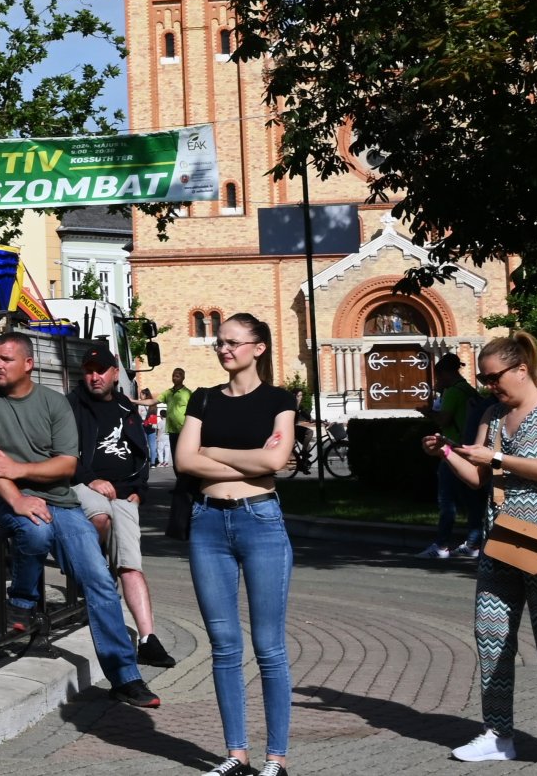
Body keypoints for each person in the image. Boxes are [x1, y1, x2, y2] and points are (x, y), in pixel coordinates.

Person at [0, 333, 158, 709]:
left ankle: (125, 677)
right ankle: (22, 600)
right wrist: (18, 498)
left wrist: (20, 468)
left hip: (62, 500)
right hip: (10, 496)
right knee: (36, 532)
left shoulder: (53, 403)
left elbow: (67, 464)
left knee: (100, 580)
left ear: (28, 364)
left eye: (5, 359)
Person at [427, 330, 537, 769]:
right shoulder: (492, 415)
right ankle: (499, 734)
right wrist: (449, 453)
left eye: (493, 377)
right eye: (483, 378)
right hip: (499, 542)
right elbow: (479, 480)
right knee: (491, 640)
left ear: (520, 369)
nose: (488, 385)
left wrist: (494, 459)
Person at [175, 313, 297, 776]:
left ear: (258, 347)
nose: (223, 349)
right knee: (224, 645)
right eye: (219, 343)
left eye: (232, 342)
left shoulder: (279, 399)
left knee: (269, 647)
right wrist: (251, 464)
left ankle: (276, 759)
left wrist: (216, 453)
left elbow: (277, 460)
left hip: (261, 521)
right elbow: (186, 461)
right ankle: (237, 754)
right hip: (208, 524)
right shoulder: (203, 399)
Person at [68, 346, 175, 670]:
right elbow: (64, 452)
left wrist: (140, 490)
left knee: (131, 564)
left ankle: (148, 639)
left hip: (125, 493)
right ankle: (91, 569)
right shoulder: (72, 405)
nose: (95, 376)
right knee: (99, 518)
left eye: (101, 370)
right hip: (85, 484)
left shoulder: (125, 405)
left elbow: (140, 449)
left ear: (115, 373)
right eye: (89, 369)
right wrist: (90, 479)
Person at [421, 352, 484, 560]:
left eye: (439, 377)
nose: (438, 381)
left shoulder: (453, 392)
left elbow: (444, 421)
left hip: (452, 451)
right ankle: (474, 542)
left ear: (446, 374)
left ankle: (441, 544)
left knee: (446, 500)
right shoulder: (468, 389)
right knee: (471, 498)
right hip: (468, 447)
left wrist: (427, 412)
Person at [160, 367, 192, 449]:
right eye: (173, 376)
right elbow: (153, 401)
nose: (174, 378)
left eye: (177, 376)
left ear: (183, 378)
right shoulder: (168, 392)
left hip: (183, 430)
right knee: (174, 456)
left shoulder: (188, 393)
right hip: (172, 430)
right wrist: (133, 401)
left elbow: (193, 412)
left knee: (183, 455)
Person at [143, 388, 171, 467]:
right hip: (164, 435)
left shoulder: (152, 406)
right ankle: (163, 462)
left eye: (142, 394)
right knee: (164, 449)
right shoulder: (153, 406)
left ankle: (158, 462)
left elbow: (155, 425)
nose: (140, 396)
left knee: (157, 448)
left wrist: (157, 437)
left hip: (150, 429)